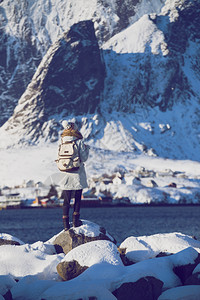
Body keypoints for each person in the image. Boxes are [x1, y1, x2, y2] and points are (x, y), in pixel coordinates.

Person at [58, 120, 90, 230]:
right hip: (77, 173)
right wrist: (87, 149)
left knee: (66, 200)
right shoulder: (79, 141)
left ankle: (66, 225)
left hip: (66, 173)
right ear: (74, 129)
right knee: (77, 198)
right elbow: (84, 158)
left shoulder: (62, 141)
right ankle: (76, 222)